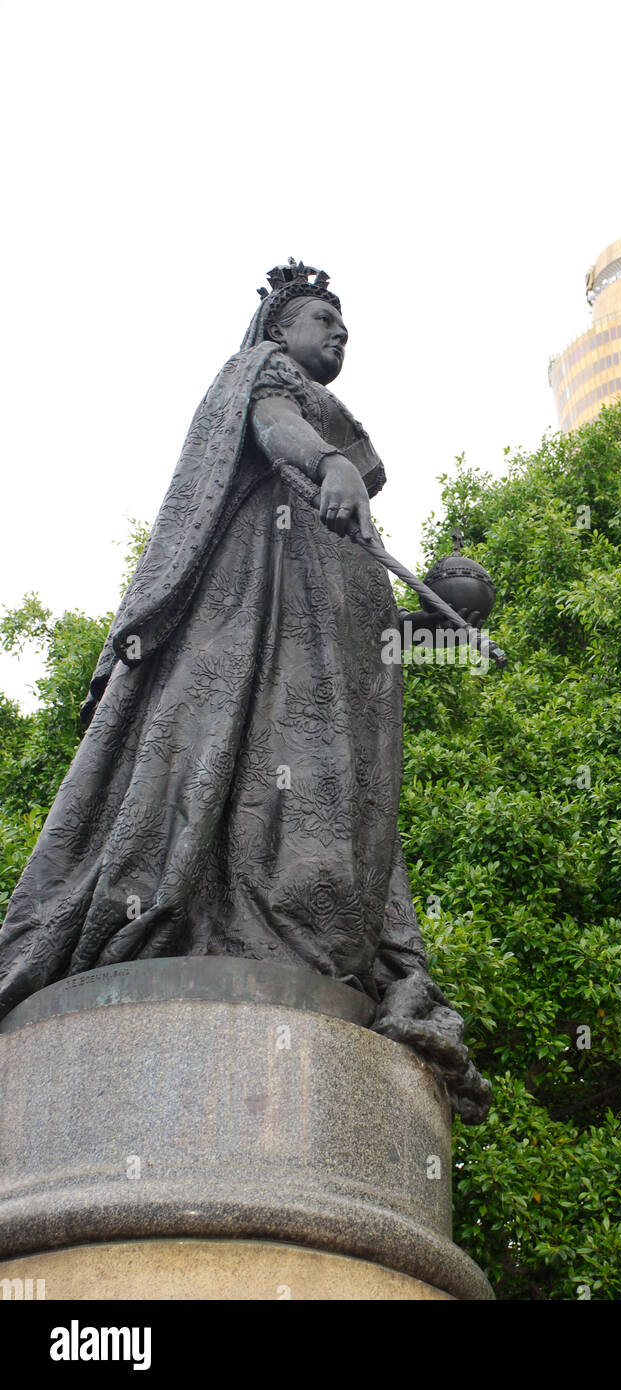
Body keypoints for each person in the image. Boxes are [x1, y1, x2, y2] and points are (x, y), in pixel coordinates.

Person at [0, 258, 490, 1123]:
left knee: (323, 784)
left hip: (326, 662)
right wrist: (329, 460)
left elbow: (359, 639)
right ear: (279, 331)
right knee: (232, 752)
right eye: (322, 319)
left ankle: (292, 925)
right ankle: (201, 911)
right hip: (250, 624)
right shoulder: (265, 381)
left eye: (344, 324)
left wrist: (430, 626)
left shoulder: (330, 512)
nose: (338, 333)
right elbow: (276, 427)